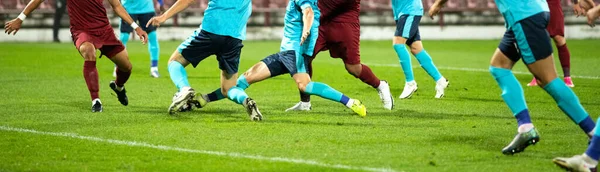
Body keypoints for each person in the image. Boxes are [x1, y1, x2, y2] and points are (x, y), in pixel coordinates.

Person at [429, 0, 596, 155]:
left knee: (547, 79)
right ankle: (525, 127)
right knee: (498, 67)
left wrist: (437, 4)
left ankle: (594, 133)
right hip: (529, 13)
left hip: (524, 16)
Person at [190, 0, 368, 117]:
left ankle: (351, 102)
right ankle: (204, 99)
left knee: (305, 85)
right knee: (246, 77)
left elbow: (308, 12)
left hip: (294, 51)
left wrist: (306, 29)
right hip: (286, 53)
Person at [5, 0, 148, 112]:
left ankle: (119, 87)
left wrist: (136, 27)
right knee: (89, 53)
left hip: (104, 30)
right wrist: (21, 18)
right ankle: (96, 101)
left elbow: (117, 6)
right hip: (82, 30)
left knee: (126, 66)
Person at [146, 0, 262, 120]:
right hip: (234, 39)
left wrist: (164, 16)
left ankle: (184, 89)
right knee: (228, 88)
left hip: (210, 31)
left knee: (175, 61)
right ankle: (246, 100)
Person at [286, 0, 394, 112]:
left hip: (345, 19)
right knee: (304, 58)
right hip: (321, 21)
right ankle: (305, 103)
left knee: (353, 68)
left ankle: (380, 85)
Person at [525, 0, 593, 87]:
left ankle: (567, 78)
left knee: (559, 39)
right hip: (537, 6)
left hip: (553, 5)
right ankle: (538, 76)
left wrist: (575, 3)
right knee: (538, 41)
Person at [391, 0, 449, 99]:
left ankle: (410, 83)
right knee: (416, 48)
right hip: (401, 10)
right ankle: (440, 80)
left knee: (398, 44)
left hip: (409, 9)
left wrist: (438, 3)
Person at [117, 0, 164, 78]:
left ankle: (154, 68)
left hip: (147, 8)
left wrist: (161, 2)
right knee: (123, 37)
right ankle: (118, 66)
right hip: (128, 9)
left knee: (152, 36)